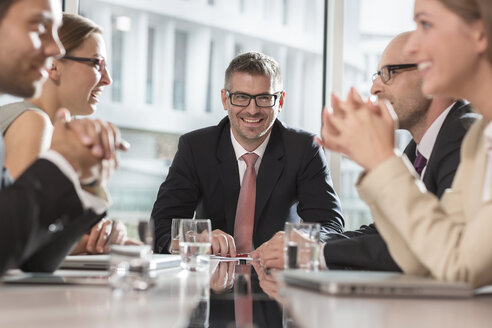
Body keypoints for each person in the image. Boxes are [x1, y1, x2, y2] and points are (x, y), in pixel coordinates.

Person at [251, 32, 478, 271]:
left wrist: (314, 253)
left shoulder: (465, 138)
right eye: (377, 75)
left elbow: (429, 249)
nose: (374, 87)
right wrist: (310, 243)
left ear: (432, 75)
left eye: (388, 73)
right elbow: (385, 234)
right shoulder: (419, 148)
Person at [320, 0, 492, 287]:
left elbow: (461, 267)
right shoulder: (478, 138)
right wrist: (376, 163)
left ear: (479, 33)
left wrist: (382, 161)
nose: (413, 46)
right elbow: (424, 257)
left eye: (425, 24)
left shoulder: (468, 136)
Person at [152, 52, 344, 256]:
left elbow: (330, 226)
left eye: (264, 98)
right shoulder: (196, 147)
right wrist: (195, 239)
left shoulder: (304, 149)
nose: (252, 110)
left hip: (275, 276)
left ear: (280, 101)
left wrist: (292, 244)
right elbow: (161, 226)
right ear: (225, 99)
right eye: (241, 97)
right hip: (211, 278)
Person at [0, 0, 127, 274]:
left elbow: (32, 255)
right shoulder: (34, 120)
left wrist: (89, 184)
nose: (55, 49)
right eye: (97, 63)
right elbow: (17, 240)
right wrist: (65, 163)